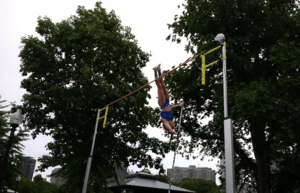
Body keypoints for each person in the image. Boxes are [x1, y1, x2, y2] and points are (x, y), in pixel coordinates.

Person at [153, 64, 184, 134]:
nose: (174, 124)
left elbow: (168, 127)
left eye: (173, 126)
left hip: (162, 103)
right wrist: (179, 105)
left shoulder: (165, 121)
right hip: (167, 102)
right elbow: (170, 108)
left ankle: (155, 71)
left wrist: (173, 131)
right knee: (163, 86)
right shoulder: (169, 117)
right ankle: (158, 70)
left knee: (160, 87)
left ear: (169, 126)